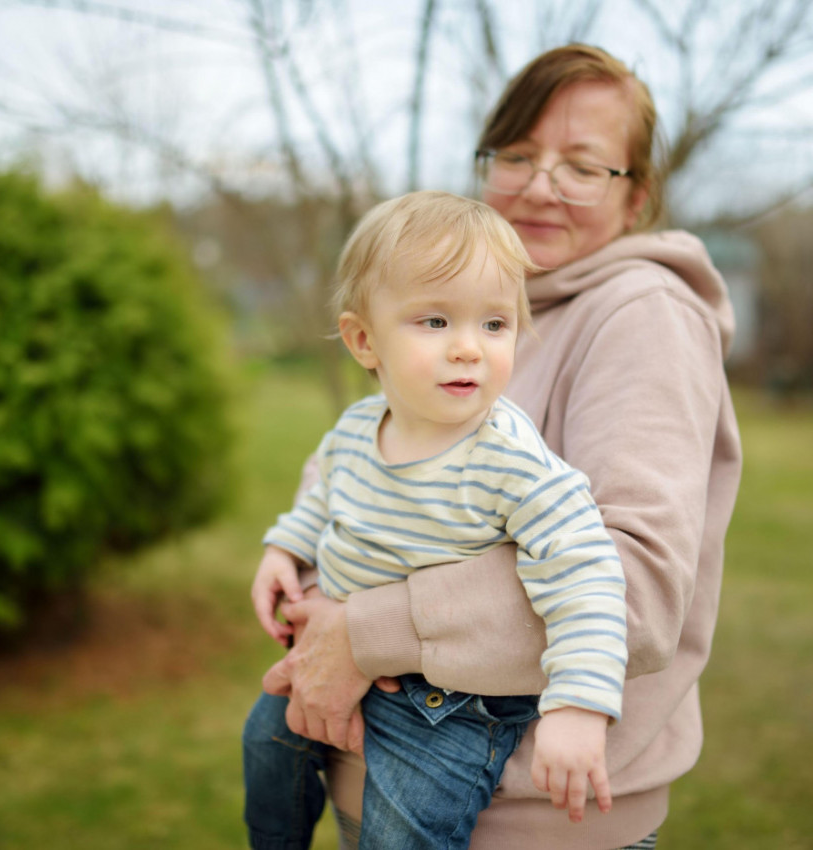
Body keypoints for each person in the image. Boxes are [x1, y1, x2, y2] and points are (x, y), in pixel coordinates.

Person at [262, 44, 742, 850]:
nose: (539, 185)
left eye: (583, 166)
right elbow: (360, 468)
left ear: (638, 199)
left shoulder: (643, 313)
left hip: (530, 816)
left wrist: (362, 631)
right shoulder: (465, 295)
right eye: (516, 155)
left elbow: (635, 588)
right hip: (373, 766)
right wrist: (300, 563)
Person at [243, 190, 630, 850]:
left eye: (493, 324)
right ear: (363, 340)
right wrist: (285, 547)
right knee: (265, 743)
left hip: (451, 702)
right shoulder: (359, 425)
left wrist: (579, 705)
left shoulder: (507, 457)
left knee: (400, 833)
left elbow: (586, 573)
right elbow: (326, 496)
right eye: (434, 322)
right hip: (343, 659)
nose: (467, 350)